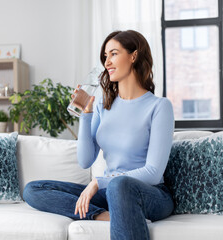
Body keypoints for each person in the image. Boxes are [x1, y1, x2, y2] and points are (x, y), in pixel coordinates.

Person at [23, 30, 175, 240]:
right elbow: (85, 160)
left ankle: (119, 208)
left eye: (113, 54)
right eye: (105, 56)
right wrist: (85, 115)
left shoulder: (159, 107)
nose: (107, 62)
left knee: (119, 185)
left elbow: (153, 173)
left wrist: (98, 182)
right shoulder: (104, 106)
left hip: (149, 194)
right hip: (110, 194)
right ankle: (103, 216)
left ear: (134, 56)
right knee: (33, 189)